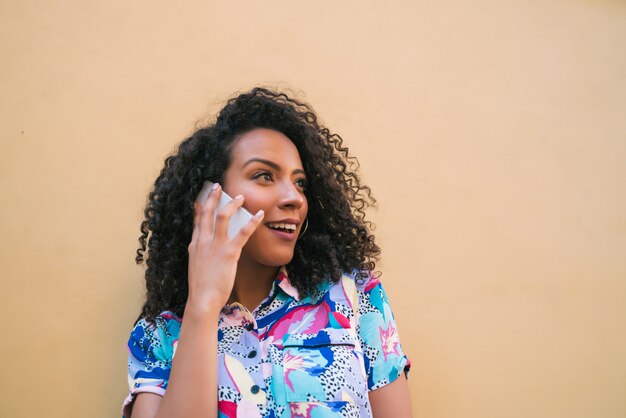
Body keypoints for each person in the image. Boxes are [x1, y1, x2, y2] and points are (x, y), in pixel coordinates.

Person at [123, 87, 412, 418]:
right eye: (264, 176)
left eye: (300, 182)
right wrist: (202, 307)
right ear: (209, 198)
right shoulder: (159, 336)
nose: (294, 198)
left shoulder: (356, 299)